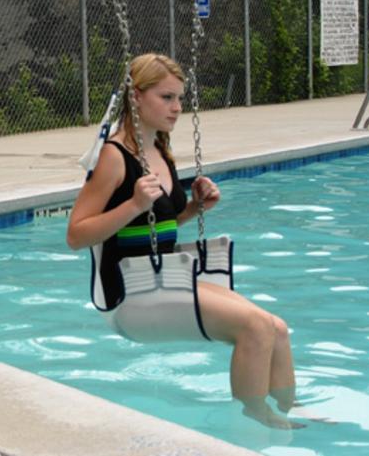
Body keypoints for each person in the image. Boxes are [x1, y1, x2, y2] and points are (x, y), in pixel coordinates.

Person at [66, 53, 301, 429]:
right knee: (255, 328)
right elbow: (76, 235)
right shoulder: (114, 156)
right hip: (131, 295)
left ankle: (290, 412)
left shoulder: (160, 150)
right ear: (136, 97)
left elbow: (158, 223)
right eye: (166, 97)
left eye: (180, 99)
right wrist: (132, 204)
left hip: (163, 278)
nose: (177, 108)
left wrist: (193, 208)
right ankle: (256, 423)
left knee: (277, 328)